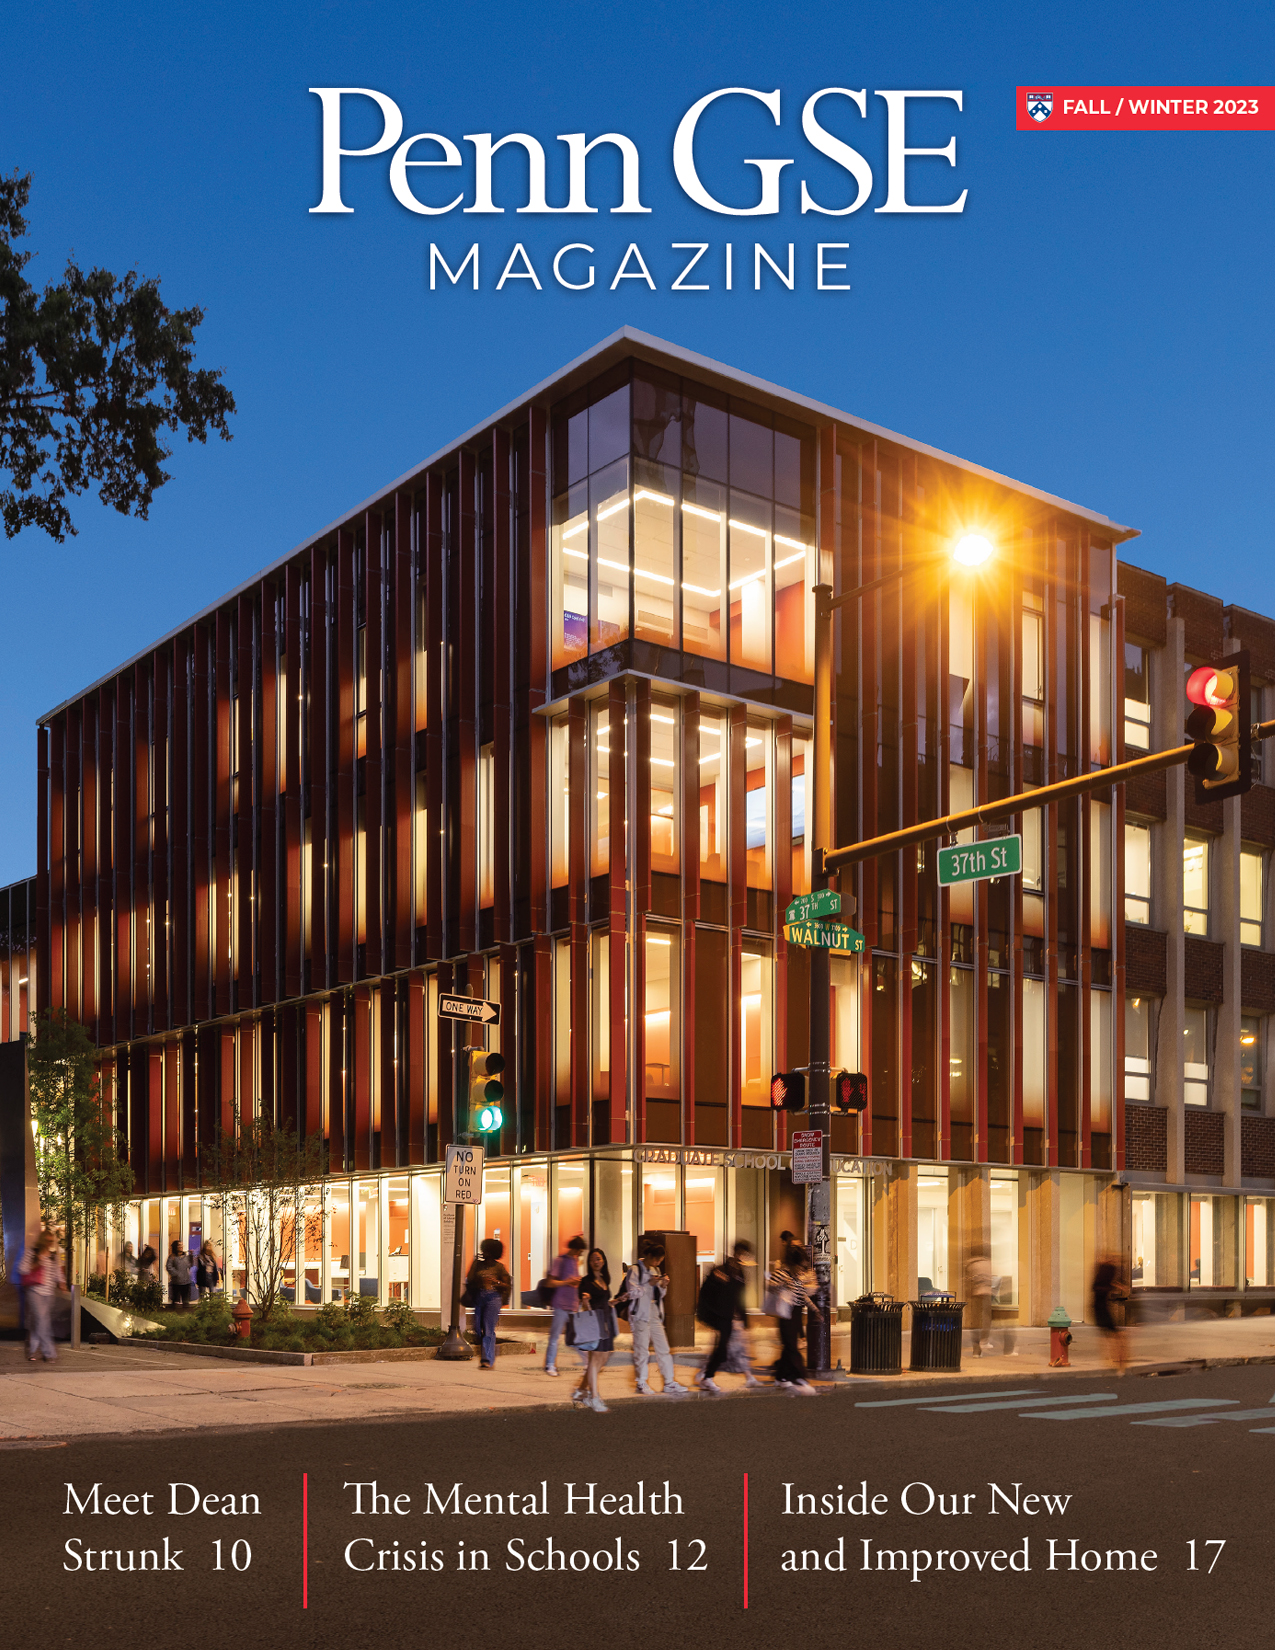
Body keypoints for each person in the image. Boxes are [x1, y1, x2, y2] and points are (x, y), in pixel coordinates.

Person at [621, 1241, 686, 1396]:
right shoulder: (635, 1270)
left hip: (654, 1312)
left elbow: (659, 1295)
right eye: (656, 1260)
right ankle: (641, 1382)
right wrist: (648, 1284)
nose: (657, 1263)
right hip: (640, 1315)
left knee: (663, 1348)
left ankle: (669, 1382)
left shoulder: (655, 1270)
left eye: (660, 1261)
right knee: (642, 1350)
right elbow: (632, 1293)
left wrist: (663, 1285)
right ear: (648, 1256)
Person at [698, 1239, 762, 1395]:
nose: (746, 1257)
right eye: (745, 1254)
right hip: (720, 1316)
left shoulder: (740, 1273)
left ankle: (706, 1376)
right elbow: (706, 1293)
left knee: (729, 1349)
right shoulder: (721, 1270)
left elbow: (740, 1297)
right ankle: (707, 1377)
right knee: (723, 1349)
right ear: (738, 1253)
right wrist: (710, 1314)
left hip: (731, 1318)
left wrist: (744, 1319)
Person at [766, 1241, 820, 1394]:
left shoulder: (797, 1276)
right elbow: (769, 1286)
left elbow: (802, 1295)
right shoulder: (782, 1273)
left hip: (796, 1314)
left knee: (789, 1347)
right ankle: (799, 1376)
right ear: (793, 1262)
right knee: (791, 1347)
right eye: (800, 1265)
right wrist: (783, 1286)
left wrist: (815, 1310)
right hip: (785, 1313)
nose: (802, 1269)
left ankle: (781, 1377)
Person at [571, 1248, 616, 1413]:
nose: (595, 1262)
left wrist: (616, 1301)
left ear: (603, 1260)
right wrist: (586, 1301)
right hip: (594, 1323)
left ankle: (581, 1390)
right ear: (589, 1263)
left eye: (598, 1259)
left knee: (602, 1360)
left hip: (606, 1322)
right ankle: (594, 1397)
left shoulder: (605, 1279)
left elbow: (605, 1302)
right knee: (595, 1362)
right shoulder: (586, 1282)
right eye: (592, 1260)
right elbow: (585, 1304)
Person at [18, 1229, 67, 1363]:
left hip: (49, 1293)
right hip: (35, 1291)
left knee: (39, 1322)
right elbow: (22, 1269)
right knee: (42, 1320)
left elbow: (57, 1272)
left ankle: (31, 1351)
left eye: (51, 1241)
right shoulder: (32, 1252)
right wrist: (36, 1264)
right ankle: (49, 1353)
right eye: (47, 1240)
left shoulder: (53, 1256)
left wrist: (62, 1284)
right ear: (42, 1239)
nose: (49, 1243)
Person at [465, 1238, 513, 1369]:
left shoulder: (499, 1267)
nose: (484, 1253)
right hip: (479, 1297)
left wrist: (495, 1282)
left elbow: (506, 1285)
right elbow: (469, 1279)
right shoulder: (478, 1265)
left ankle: (487, 1359)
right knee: (477, 1329)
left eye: (487, 1251)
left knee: (488, 1329)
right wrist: (475, 1262)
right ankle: (486, 1355)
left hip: (493, 1298)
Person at [544, 1234, 588, 1377]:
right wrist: (567, 1281)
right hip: (561, 1305)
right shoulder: (560, 1261)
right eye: (579, 1251)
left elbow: (572, 1281)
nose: (580, 1254)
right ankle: (550, 1364)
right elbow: (550, 1282)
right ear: (575, 1249)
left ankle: (588, 1363)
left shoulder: (575, 1261)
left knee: (577, 1336)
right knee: (555, 1336)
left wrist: (576, 1283)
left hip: (573, 1304)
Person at [1092, 1255, 1128, 1375]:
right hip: (1102, 1311)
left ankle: (1114, 1362)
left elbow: (1105, 1284)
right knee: (1118, 1338)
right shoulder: (1104, 1281)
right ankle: (1120, 1365)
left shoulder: (1100, 1281)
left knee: (1111, 1338)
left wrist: (1118, 1286)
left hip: (1098, 1310)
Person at [964, 1247, 995, 1357]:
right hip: (987, 1293)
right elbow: (992, 1279)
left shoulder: (970, 1264)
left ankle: (976, 1349)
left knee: (975, 1321)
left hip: (975, 1294)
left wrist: (968, 1293)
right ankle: (984, 1340)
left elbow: (968, 1280)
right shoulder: (988, 1263)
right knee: (986, 1318)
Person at [166, 1240, 192, 1309]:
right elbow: (169, 1267)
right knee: (175, 1301)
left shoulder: (185, 1256)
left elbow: (189, 1265)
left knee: (186, 1301)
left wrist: (191, 1257)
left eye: (181, 1245)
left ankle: (186, 1315)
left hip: (186, 1281)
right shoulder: (172, 1257)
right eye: (179, 1245)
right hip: (176, 1282)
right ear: (175, 1247)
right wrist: (176, 1274)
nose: (181, 1247)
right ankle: (174, 1315)